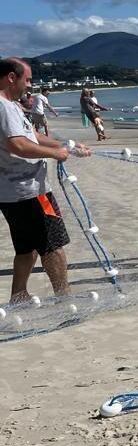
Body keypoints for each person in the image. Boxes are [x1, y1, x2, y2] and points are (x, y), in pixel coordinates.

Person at [0, 58, 91, 304]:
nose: (29, 85)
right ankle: (65, 299)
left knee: (26, 247)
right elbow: (17, 144)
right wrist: (55, 154)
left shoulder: (11, 106)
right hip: (29, 190)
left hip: (10, 192)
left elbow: (32, 136)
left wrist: (67, 146)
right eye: (27, 79)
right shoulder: (4, 106)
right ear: (11, 77)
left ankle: (19, 296)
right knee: (53, 245)